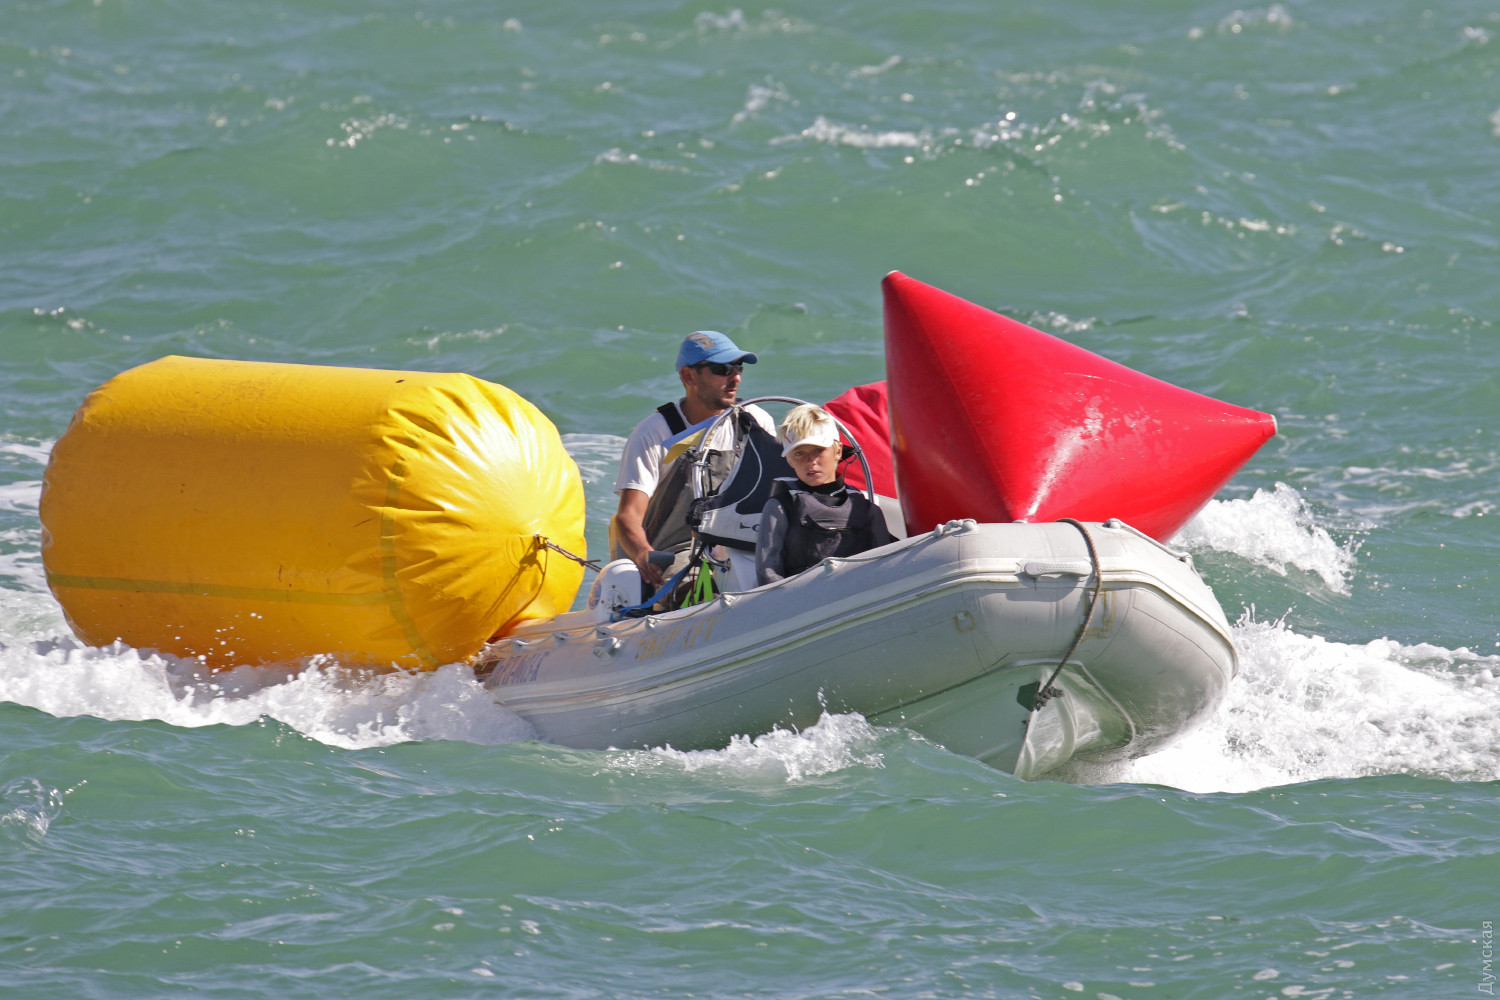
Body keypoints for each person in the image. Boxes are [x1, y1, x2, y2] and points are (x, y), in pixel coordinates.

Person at [612, 331, 775, 591]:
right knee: (693, 590)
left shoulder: (755, 421)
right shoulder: (655, 433)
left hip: (744, 543)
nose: (736, 378)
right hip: (681, 552)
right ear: (688, 376)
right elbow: (628, 515)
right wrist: (644, 555)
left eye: (738, 367)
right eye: (722, 369)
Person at [756, 403, 893, 586]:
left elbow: (886, 566)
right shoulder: (780, 508)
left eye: (818, 450)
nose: (810, 461)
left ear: (838, 451)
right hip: (803, 597)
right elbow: (768, 574)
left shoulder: (866, 508)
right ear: (789, 460)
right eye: (799, 453)